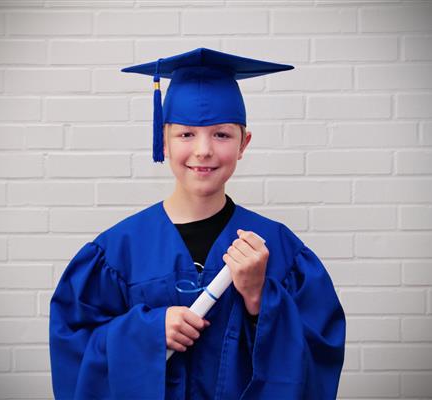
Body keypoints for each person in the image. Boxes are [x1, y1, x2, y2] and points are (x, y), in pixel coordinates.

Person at [49, 48, 346, 399]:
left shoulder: (280, 249)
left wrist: (260, 299)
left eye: (221, 135)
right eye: (186, 134)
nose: (203, 150)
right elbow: (74, 353)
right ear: (163, 140)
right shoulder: (115, 252)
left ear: (243, 144)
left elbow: (318, 356)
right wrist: (148, 332)